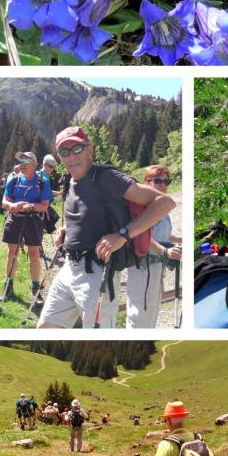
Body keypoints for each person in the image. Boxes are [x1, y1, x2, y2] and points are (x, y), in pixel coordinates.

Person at [38, 126, 175, 328]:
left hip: (97, 274)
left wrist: (122, 235)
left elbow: (164, 203)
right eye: (64, 152)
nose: (71, 156)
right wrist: (66, 231)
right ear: (59, 157)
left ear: (89, 150)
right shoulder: (69, 180)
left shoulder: (105, 177)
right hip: (69, 267)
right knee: (45, 328)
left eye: (77, 148)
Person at [126, 165, 182, 328]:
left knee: (151, 313)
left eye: (166, 181)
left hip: (157, 266)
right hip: (143, 266)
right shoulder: (143, 207)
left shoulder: (161, 207)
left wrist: (181, 240)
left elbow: (164, 235)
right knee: (139, 315)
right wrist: (165, 251)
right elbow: (138, 234)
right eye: (157, 181)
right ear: (147, 183)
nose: (163, 185)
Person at [0, 151, 53, 304]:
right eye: (20, 160)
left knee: (34, 254)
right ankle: (8, 286)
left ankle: (36, 288)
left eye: (26, 161)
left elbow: (44, 206)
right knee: (12, 252)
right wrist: (13, 206)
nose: (22, 164)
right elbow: (4, 201)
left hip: (34, 220)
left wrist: (30, 206)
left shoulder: (43, 180)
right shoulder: (13, 178)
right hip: (15, 218)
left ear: (35, 165)